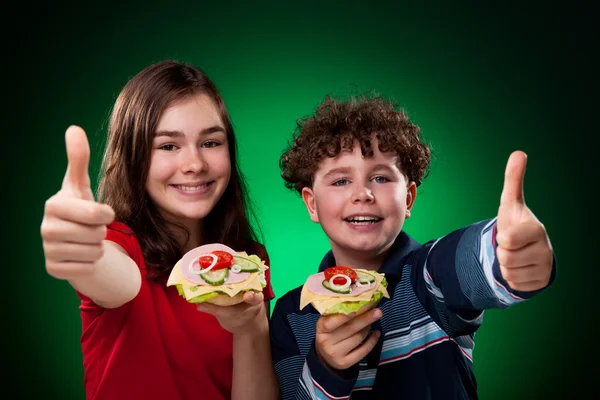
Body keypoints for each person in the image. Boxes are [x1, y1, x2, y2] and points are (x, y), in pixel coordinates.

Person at [270, 94, 556, 399]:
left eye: (380, 177)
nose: (363, 193)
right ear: (312, 205)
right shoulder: (291, 314)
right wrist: (327, 367)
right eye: (340, 181)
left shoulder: (429, 278)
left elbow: (466, 259)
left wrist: (504, 254)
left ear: (408, 198)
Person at [40, 60, 279, 400]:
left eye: (211, 142)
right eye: (168, 146)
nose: (195, 163)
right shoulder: (117, 245)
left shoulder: (249, 260)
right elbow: (112, 274)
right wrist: (86, 253)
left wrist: (252, 329)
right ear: (133, 157)